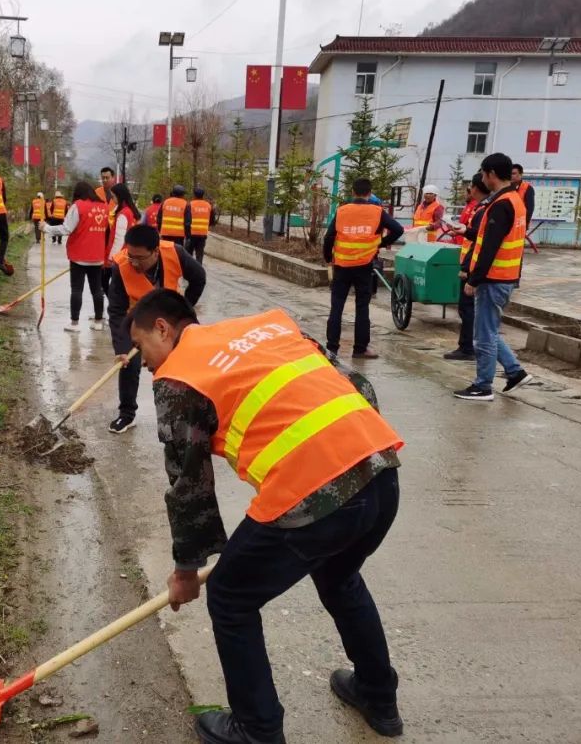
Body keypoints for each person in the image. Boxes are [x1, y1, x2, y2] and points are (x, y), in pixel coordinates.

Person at [129, 289, 404, 744]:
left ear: (162, 327)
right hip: (379, 470)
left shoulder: (179, 377)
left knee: (230, 597)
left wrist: (185, 571)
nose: (143, 362)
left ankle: (256, 729)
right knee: (339, 576)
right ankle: (379, 696)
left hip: (316, 495)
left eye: (141, 348)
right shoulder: (267, 325)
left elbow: (189, 486)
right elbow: (360, 386)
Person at [107, 225, 205, 434]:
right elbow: (116, 310)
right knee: (129, 364)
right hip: (140, 322)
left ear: (155, 251)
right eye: (130, 255)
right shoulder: (121, 266)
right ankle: (127, 414)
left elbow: (199, 277)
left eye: (139, 258)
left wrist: (184, 307)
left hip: (172, 320)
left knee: (183, 363)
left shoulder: (175, 252)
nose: (133, 262)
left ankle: (188, 413)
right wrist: (122, 347)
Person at [454, 153, 533, 401]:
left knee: (484, 335)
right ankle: (515, 372)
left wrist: (473, 280)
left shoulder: (500, 204)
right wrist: (468, 231)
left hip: (494, 278)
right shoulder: (514, 200)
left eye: (483, 173)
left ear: (490, 174)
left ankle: (483, 386)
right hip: (506, 276)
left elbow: (490, 246)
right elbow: (492, 236)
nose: (482, 179)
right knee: (489, 329)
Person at [322, 178, 404, 360]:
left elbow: (329, 237)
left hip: (342, 266)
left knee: (337, 306)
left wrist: (328, 258)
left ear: (353, 191)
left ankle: (332, 348)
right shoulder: (377, 212)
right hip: (364, 266)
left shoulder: (342, 211)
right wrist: (381, 243)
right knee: (362, 307)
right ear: (369, 193)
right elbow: (398, 230)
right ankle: (360, 349)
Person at [42, 181, 108, 331]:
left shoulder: (78, 206)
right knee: (97, 290)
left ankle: (75, 323)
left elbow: (66, 228)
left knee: (77, 289)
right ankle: (98, 321)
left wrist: (46, 228)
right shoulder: (103, 207)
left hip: (79, 255)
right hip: (97, 255)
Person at [443, 174, 492, 361]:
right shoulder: (480, 208)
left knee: (468, 309)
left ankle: (468, 348)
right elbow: (477, 236)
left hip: (473, 266)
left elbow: (481, 244)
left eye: (470, 186)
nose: (469, 189)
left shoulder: (484, 210)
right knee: (470, 310)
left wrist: (466, 269)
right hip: (472, 263)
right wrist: (465, 231)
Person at [106, 183, 140, 264]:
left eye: (113, 196)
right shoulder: (130, 211)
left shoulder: (123, 214)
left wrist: (112, 257)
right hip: (129, 253)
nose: (112, 199)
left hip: (121, 256)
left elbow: (119, 239)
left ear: (119, 196)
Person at [187, 188, 216, 263]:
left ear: (194, 195)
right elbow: (212, 221)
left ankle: (189, 272)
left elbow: (186, 219)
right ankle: (198, 271)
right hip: (202, 234)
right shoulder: (208, 206)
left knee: (188, 254)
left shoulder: (190, 205)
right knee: (199, 255)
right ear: (203, 195)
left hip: (191, 233)